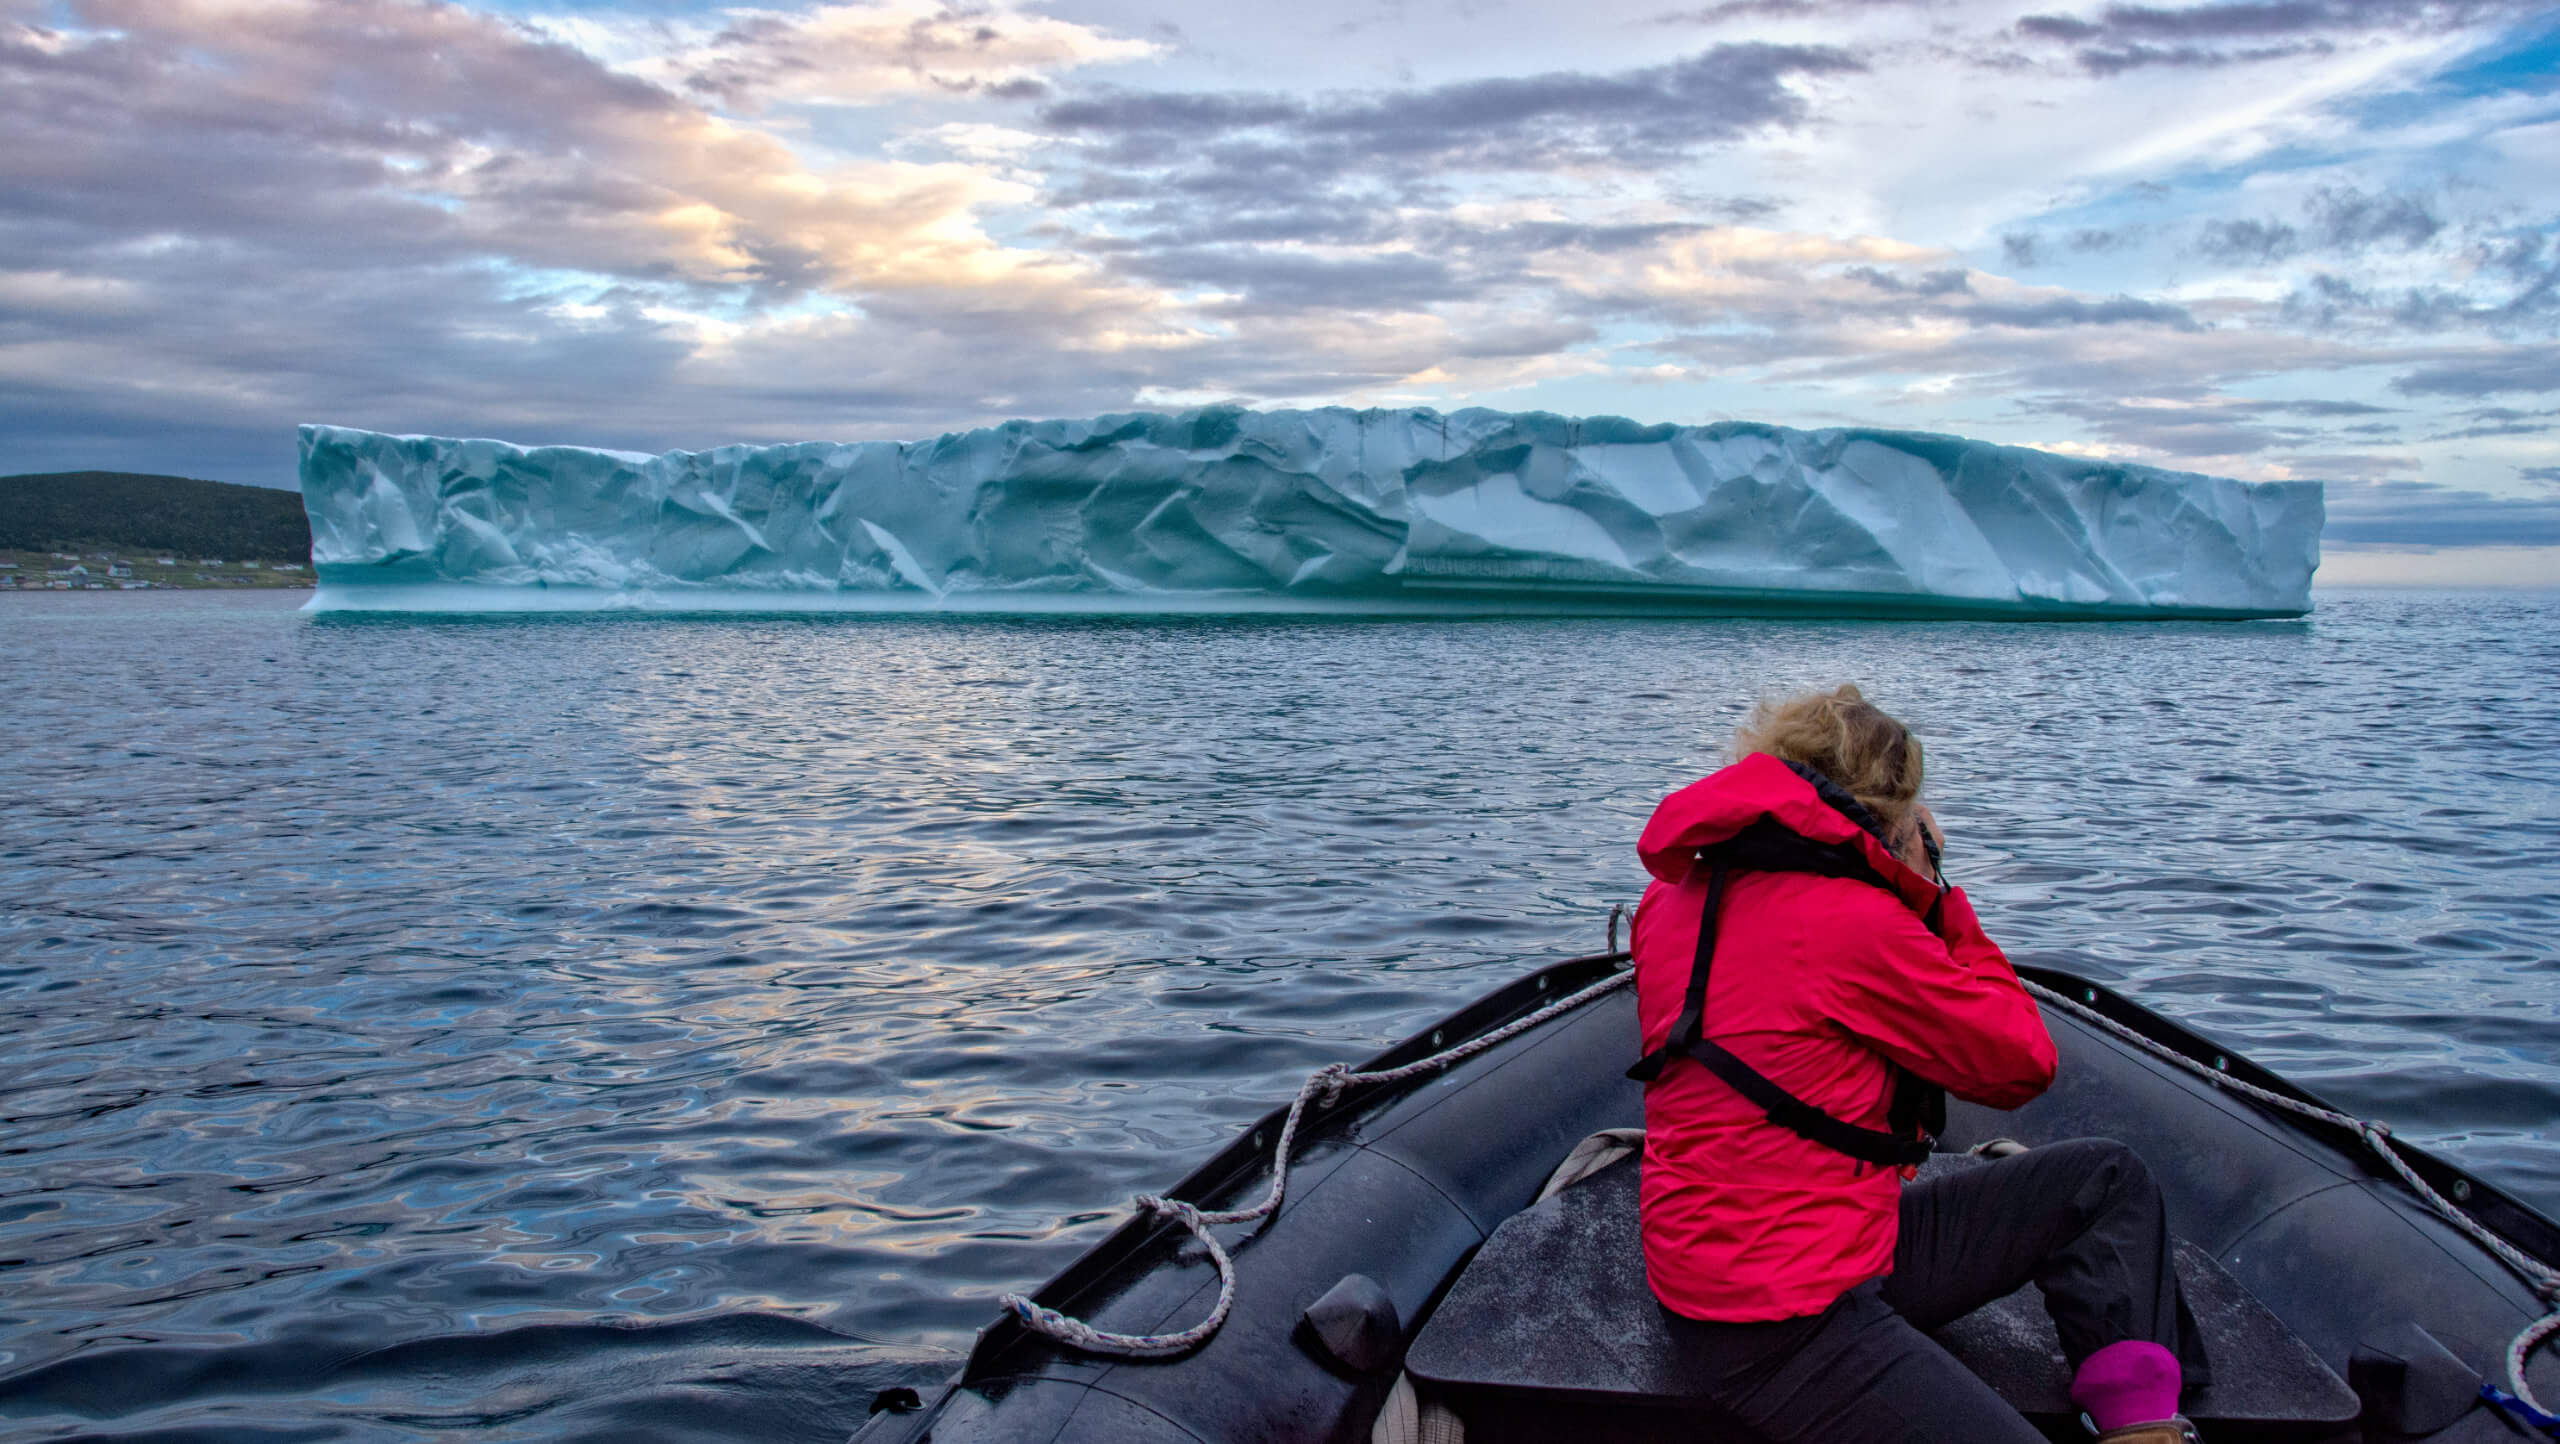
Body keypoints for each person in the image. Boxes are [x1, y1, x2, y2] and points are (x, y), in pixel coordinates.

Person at [1628, 684, 2206, 1444]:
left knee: (2103, 1182)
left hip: (1801, 1251)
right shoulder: (1851, 924)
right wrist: (1933, 888)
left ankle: (2141, 1425)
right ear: (1891, 810)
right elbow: (2020, 1061)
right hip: (1778, 1319)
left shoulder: (1670, 902)